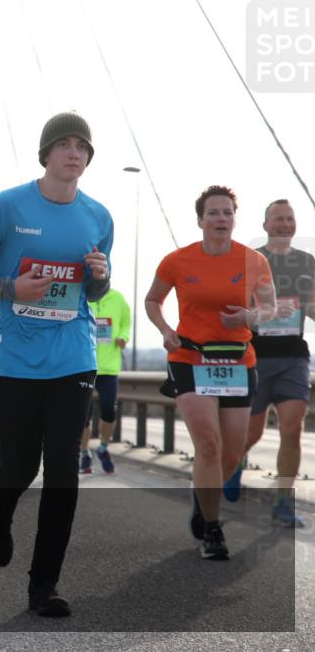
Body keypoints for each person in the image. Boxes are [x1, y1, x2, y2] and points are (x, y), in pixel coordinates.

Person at [0, 112, 112, 616]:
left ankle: (43, 585)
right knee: (21, 463)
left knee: (64, 468)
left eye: (82, 147)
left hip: (73, 354)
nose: (74, 153)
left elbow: (94, 291)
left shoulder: (98, 216)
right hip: (14, 355)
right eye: (64, 144)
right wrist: (11, 289)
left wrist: (99, 279)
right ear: (45, 154)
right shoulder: (8, 206)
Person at [145, 185, 275, 560]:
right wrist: (165, 331)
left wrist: (251, 316)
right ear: (200, 220)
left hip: (237, 360)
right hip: (190, 358)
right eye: (214, 213)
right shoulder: (177, 261)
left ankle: (203, 499)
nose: (221, 219)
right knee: (208, 443)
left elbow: (269, 308)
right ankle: (213, 531)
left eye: (228, 213)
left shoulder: (254, 261)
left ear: (235, 219)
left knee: (232, 453)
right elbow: (153, 299)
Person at [242, 199, 312, 527]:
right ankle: (232, 465)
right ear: (266, 225)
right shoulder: (253, 262)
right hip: (256, 357)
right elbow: (239, 309)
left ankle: (284, 500)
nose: (285, 224)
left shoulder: (307, 262)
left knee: (292, 427)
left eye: (290, 219)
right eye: (278, 219)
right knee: (252, 433)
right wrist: (263, 314)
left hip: (294, 356)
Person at [80, 288, 131, 474]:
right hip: (84, 364)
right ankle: (84, 453)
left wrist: (123, 337)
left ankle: (103, 448)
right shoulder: (82, 295)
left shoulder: (118, 298)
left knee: (109, 409)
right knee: (84, 414)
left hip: (109, 366)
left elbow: (126, 323)